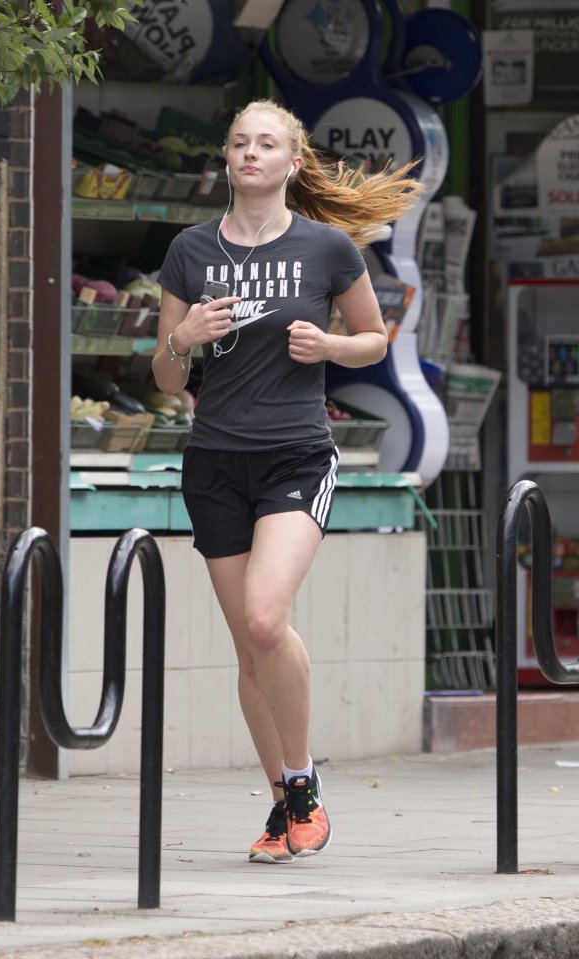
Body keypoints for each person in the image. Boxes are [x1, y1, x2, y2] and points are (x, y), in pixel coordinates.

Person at [151, 99, 423, 863]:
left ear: (291, 162)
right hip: (214, 461)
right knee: (247, 651)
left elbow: (374, 340)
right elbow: (166, 379)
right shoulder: (190, 250)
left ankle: (302, 782)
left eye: (265, 143)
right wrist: (183, 337)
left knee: (268, 618)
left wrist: (329, 343)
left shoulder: (328, 248)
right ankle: (283, 809)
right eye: (238, 141)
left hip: (297, 455)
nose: (248, 152)